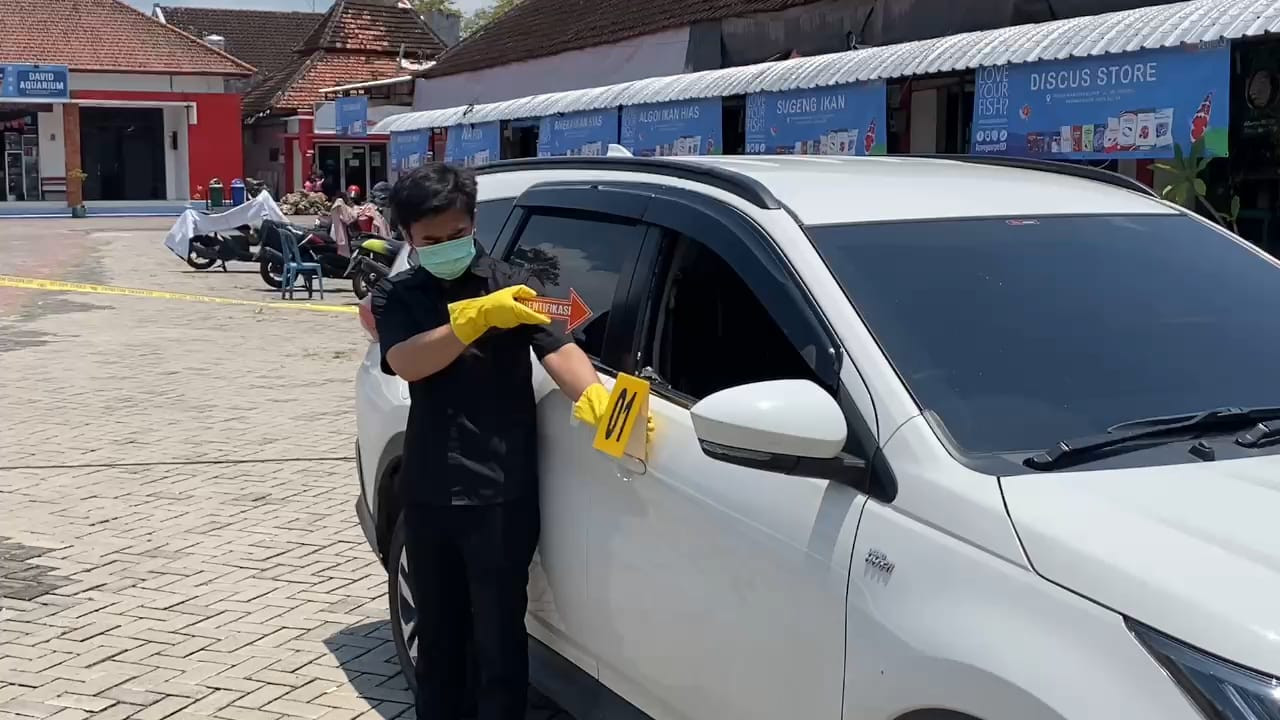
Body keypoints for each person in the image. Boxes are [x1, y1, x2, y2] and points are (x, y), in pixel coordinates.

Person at [371, 163, 620, 720]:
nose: (447, 246)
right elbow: (406, 361)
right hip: (430, 490)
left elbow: (558, 347)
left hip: (502, 492)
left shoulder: (514, 283)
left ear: (474, 222)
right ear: (407, 236)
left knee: (501, 636)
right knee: (439, 635)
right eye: (430, 240)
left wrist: (594, 396)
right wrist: (472, 321)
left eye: (457, 233)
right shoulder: (398, 294)